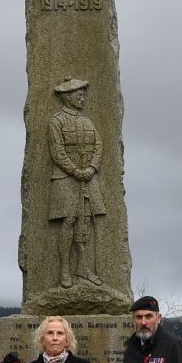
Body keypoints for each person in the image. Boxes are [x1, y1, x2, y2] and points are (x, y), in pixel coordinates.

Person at [48, 78, 106, 289]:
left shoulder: (86, 121)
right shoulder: (57, 121)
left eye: (83, 94)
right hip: (65, 178)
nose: (82, 98)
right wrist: (75, 171)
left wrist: (91, 168)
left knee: (86, 221)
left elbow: (99, 145)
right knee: (70, 220)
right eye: (78, 95)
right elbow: (57, 151)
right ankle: (65, 269)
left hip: (88, 177)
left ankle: (83, 268)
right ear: (67, 97)